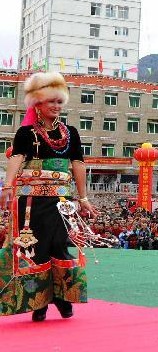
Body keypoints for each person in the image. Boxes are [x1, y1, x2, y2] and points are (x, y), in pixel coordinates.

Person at [1, 72, 98, 321]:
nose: (56, 107)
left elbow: (77, 164)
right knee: (35, 249)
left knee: (59, 246)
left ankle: (64, 298)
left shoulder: (71, 133)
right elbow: (16, 159)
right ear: (38, 104)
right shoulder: (26, 134)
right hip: (31, 202)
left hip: (61, 203)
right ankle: (39, 302)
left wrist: (83, 197)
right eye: (50, 102)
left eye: (59, 102)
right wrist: (8, 187)